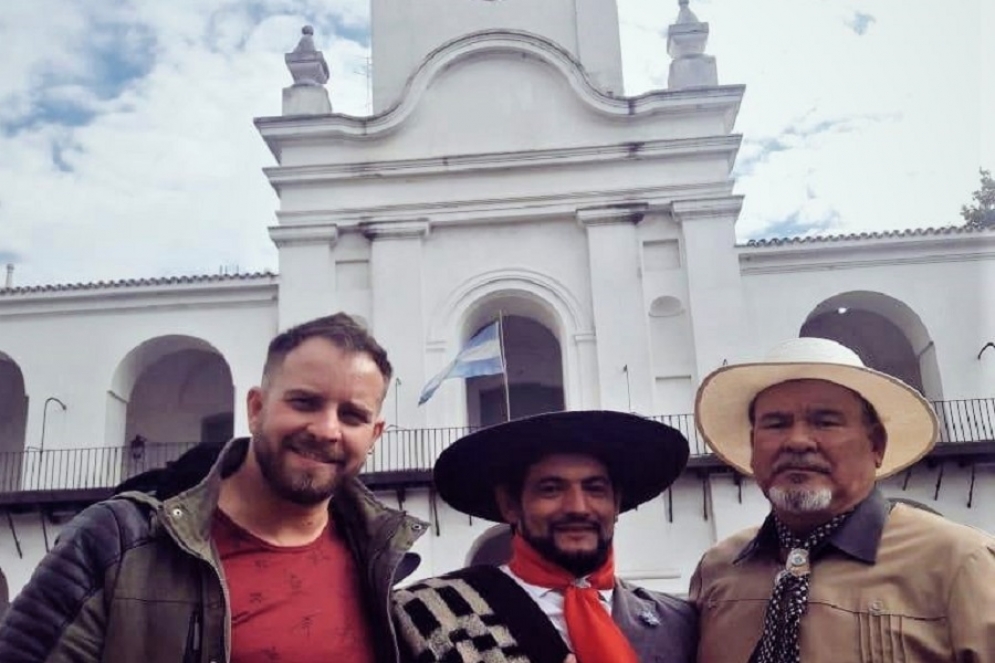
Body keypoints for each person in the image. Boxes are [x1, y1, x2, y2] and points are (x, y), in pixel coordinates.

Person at [0, 312, 428, 663]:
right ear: (256, 408)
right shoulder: (115, 540)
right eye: (304, 402)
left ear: (374, 435)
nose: (326, 430)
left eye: (352, 416)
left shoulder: (377, 556)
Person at [690, 337, 995, 662]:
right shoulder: (718, 570)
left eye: (825, 422)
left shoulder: (959, 563)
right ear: (753, 446)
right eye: (776, 424)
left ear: (875, 444)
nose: (797, 441)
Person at [393, 410, 697, 663]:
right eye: (551, 489)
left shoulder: (678, 622)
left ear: (616, 503)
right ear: (510, 505)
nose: (578, 507)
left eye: (595, 489)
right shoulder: (428, 613)